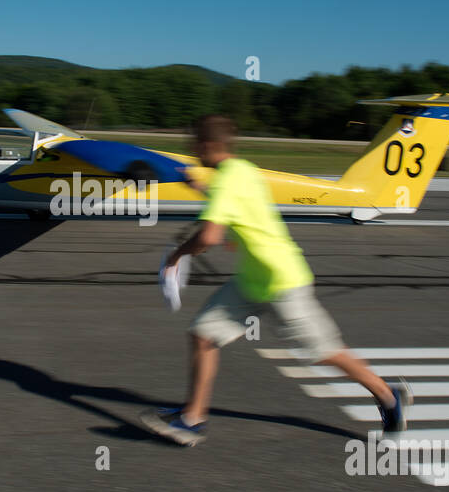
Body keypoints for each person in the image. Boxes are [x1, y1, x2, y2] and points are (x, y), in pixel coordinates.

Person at [142, 114, 411, 446]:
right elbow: (234, 203)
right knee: (203, 335)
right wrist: (197, 186)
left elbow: (209, 237)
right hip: (252, 280)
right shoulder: (242, 170)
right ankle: (192, 419)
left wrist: (175, 255)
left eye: (193, 143)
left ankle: (388, 396)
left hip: (283, 282)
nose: (190, 149)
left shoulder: (228, 180)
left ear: (207, 145)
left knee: (324, 351)